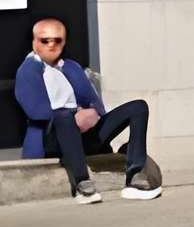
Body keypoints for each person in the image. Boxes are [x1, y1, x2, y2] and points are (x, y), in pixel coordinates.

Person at [14, 17, 161, 202]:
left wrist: (90, 113)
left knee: (138, 107)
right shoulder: (28, 70)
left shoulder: (71, 67)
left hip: (85, 135)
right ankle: (82, 184)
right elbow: (36, 110)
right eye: (45, 40)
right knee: (63, 117)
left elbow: (95, 104)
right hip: (53, 138)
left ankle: (136, 175)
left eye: (57, 40)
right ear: (35, 43)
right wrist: (74, 115)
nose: (51, 45)